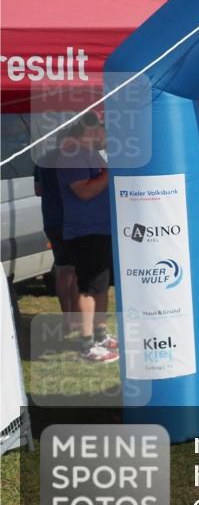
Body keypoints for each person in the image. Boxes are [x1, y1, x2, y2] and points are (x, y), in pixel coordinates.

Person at [56, 113, 118, 363]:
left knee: (100, 286)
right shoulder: (71, 155)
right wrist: (111, 172)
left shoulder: (89, 154)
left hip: (99, 229)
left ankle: (100, 335)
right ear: (92, 129)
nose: (107, 137)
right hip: (85, 231)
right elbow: (83, 191)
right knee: (88, 288)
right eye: (105, 130)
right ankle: (87, 343)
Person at [33, 133, 78, 320]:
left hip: (52, 221)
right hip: (74, 222)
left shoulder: (42, 160)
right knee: (76, 271)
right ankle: (77, 318)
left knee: (62, 269)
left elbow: (38, 191)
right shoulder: (75, 160)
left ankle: (67, 316)